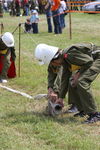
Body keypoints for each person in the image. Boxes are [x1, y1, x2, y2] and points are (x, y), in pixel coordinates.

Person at [34, 43, 100, 123]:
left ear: (54, 59)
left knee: (82, 81)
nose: (52, 65)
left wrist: (78, 74)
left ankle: (94, 114)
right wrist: (61, 98)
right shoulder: (65, 60)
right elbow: (65, 79)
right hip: (91, 60)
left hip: (97, 58)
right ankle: (83, 110)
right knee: (71, 80)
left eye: (51, 63)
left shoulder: (69, 54)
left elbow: (89, 62)